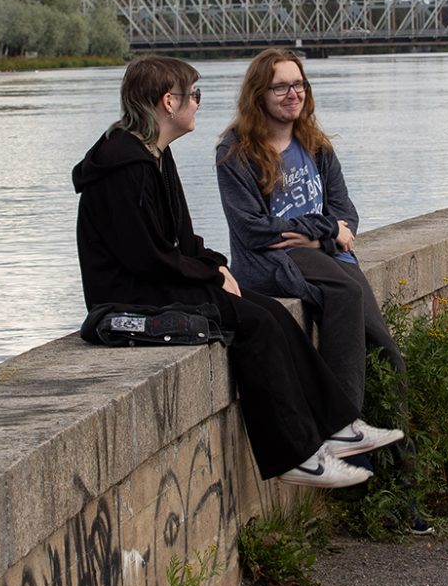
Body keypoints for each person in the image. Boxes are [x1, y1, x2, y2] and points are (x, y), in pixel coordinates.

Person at [73, 55, 393, 488]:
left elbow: (182, 241)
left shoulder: (154, 155)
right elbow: (144, 257)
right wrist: (208, 276)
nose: (199, 105)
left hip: (156, 281)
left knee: (277, 315)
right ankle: (295, 456)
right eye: (194, 96)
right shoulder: (126, 165)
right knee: (257, 325)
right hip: (129, 296)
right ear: (169, 102)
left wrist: (217, 264)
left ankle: (338, 425)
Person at [215, 49, 425, 532]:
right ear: (258, 95)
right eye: (281, 87)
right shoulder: (236, 152)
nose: (294, 95)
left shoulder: (316, 145)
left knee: (389, 356)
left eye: (299, 85)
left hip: (329, 258)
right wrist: (325, 231)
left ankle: (400, 496)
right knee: (344, 296)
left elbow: (347, 211)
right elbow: (254, 230)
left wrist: (319, 233)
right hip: (275, 264)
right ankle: (340, 425)